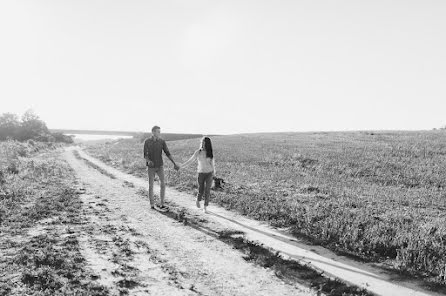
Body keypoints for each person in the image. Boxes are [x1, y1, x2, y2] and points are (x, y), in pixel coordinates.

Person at [143, 126, 179, 210]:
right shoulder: (147, 141)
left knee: (163, 184)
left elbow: (167, 153)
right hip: (151, 167)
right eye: (158, 132)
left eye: (159, 132)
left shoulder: (162, 142)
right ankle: (152, 204)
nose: (159, 133)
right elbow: (145, 154)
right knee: (151, 185)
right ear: (153, 132)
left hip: (160, 166)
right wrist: (148, 161)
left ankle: (162, 203)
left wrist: (174, 163)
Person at [180, 137, 215, 213]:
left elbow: (212, 164)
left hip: (209, 173)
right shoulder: (198, 152)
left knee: (207, 190)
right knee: (201, 190)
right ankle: (198, 200)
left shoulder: (210, 153)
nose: (203, 144)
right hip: (201, 173)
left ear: (208, 144)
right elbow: (190, 160)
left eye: (204, 143)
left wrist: (213, 174)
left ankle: (205, 207)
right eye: (202, 142)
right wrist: (181, 166)